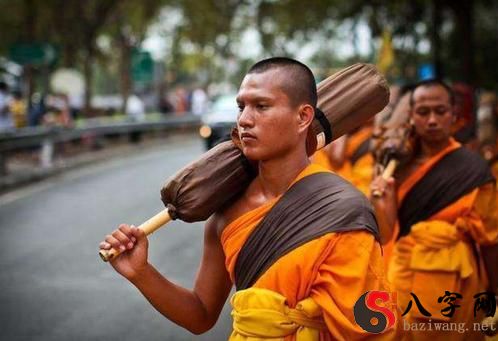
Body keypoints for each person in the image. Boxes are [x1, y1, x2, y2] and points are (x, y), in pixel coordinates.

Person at [100, 57, 397, 339]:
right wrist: (141, 273)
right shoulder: (227, 213)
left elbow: (372, 326)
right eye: (241, 106)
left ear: (303, 116)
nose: (244, 120)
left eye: (262, 106)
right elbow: (201, 315)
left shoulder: (344, 209)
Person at [370, 79, 498, 340]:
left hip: (454, 281)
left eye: (440, 111)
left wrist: (495, 290)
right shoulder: (397, 165)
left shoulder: (473, 169)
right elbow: (385, 233)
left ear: (453, 114)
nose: (431, 120)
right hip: (399, 274)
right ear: (411, 115)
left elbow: (491, 238)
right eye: (422, 112)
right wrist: (381, 203)